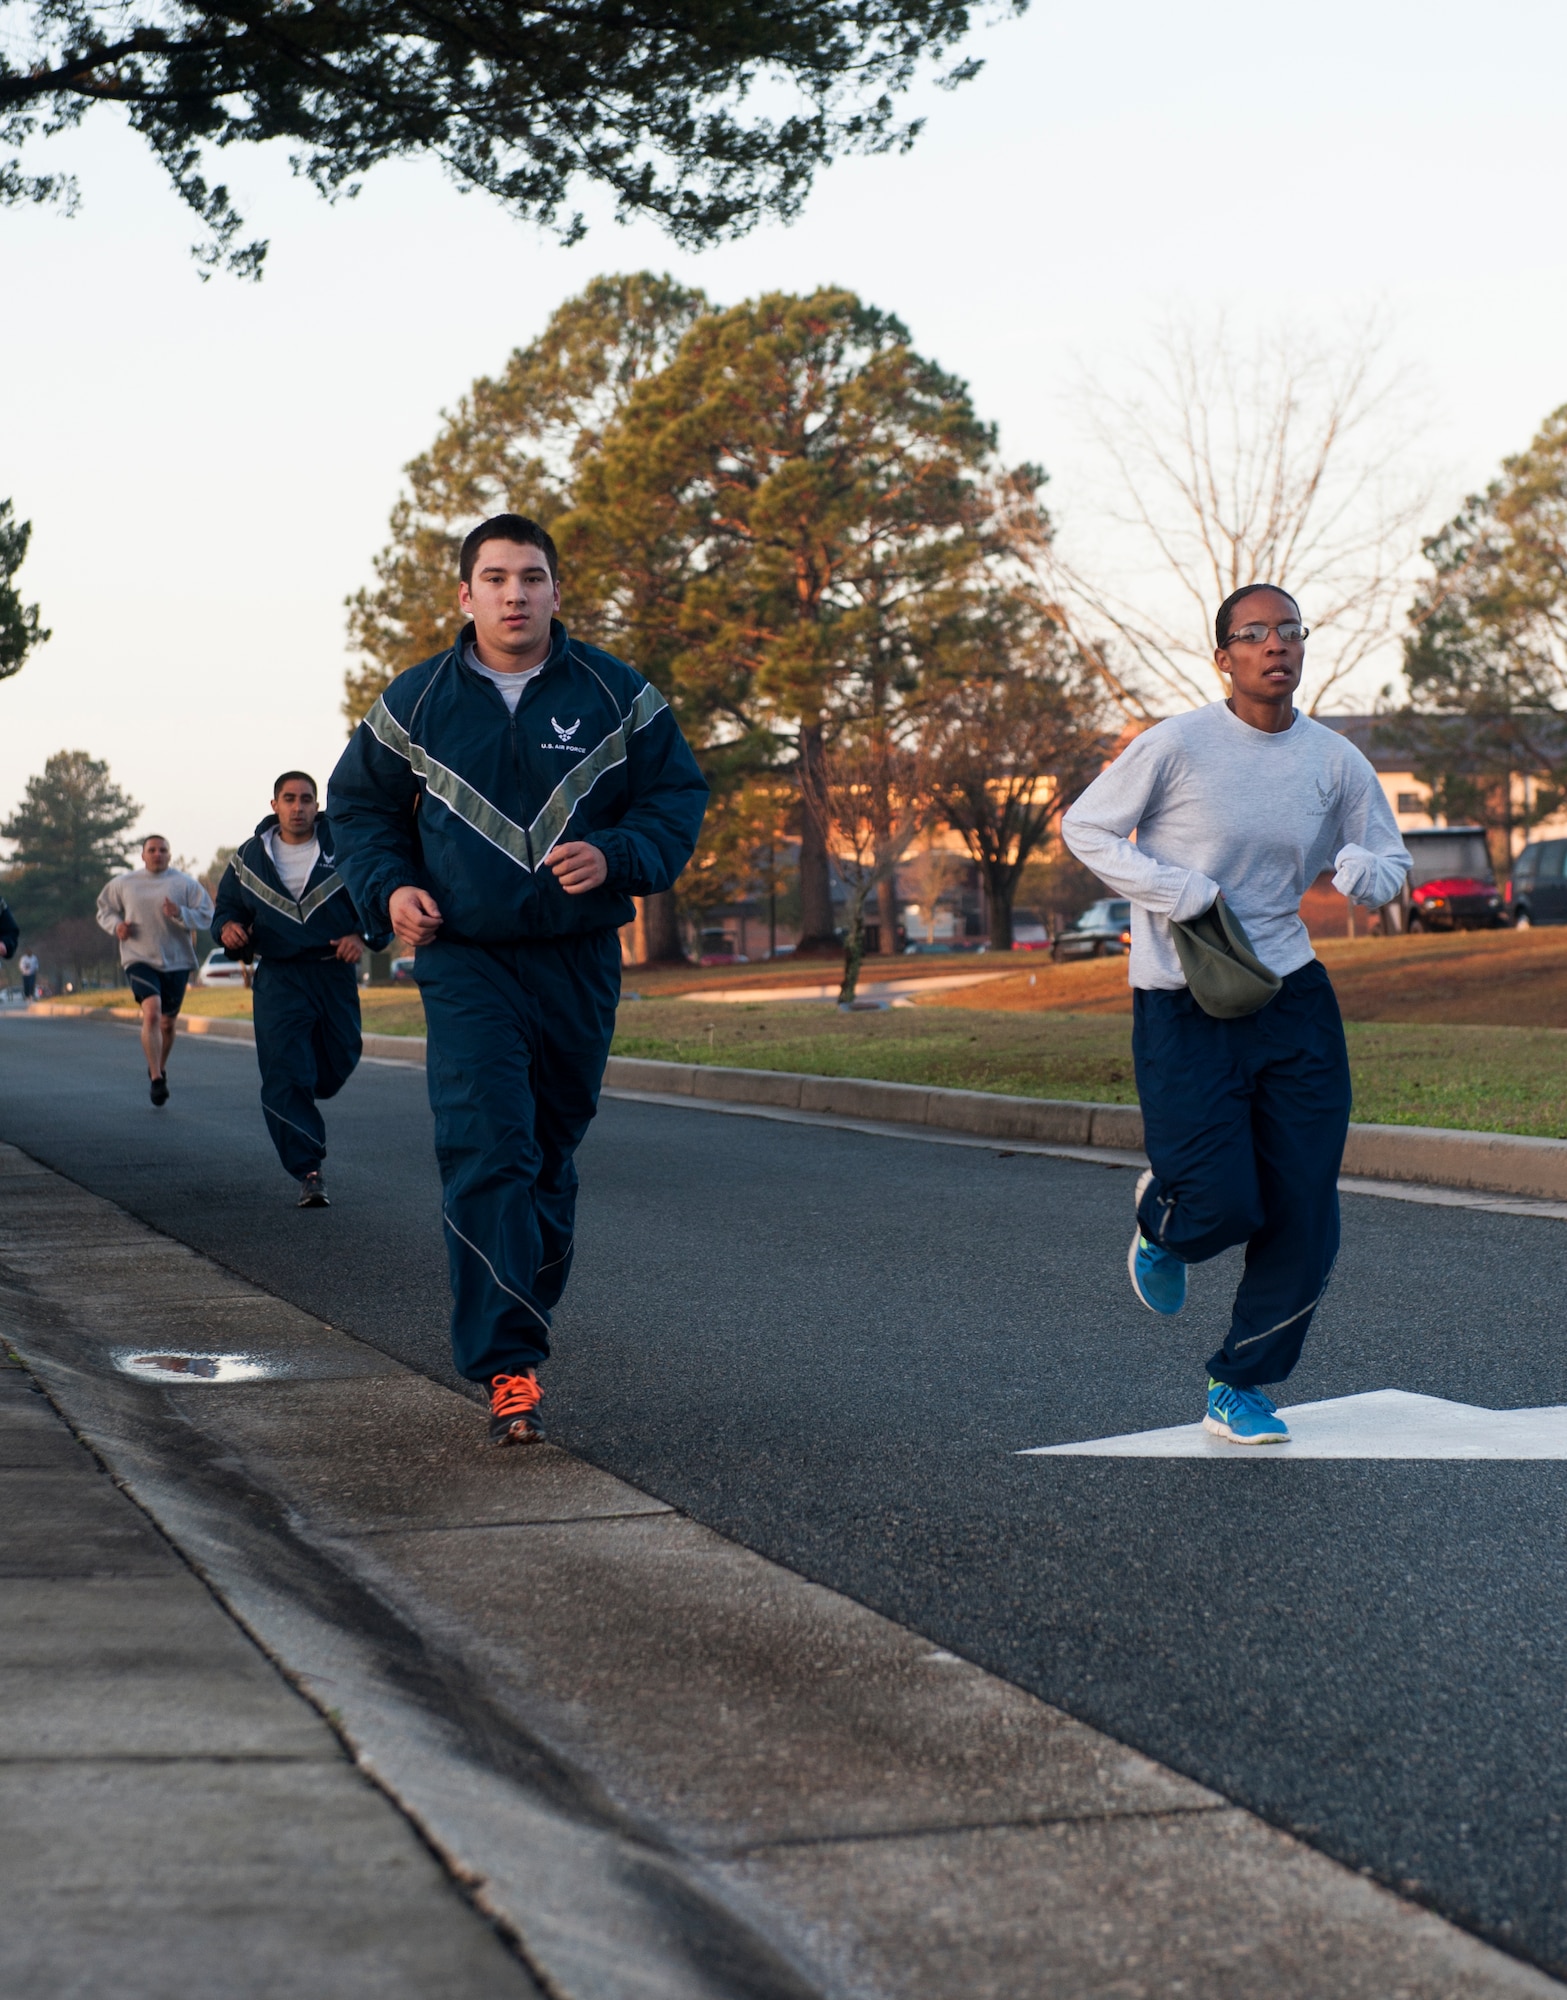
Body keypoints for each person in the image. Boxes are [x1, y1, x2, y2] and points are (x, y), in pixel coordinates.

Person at [328, 513, 708, 1445]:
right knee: (485, 1147)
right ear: (465, 596)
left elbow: (676, 799)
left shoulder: (619, 696)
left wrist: (617, 853)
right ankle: (508, 1365)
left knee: (546, 1154)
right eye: (494, 578)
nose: (513, 594)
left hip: (578, 961)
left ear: (554, 591)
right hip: (463, 960)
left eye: (531, 577)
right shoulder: (414, 703)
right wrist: (391, 889)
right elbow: (360, 810)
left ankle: (518, 1322)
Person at [1062, 585, 1411, 1445]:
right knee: (1219, 1205)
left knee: (1304, 1210)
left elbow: (1387, 852)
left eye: (1287, 631)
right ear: (1222, 657)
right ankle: (1167, 1223)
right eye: (1252, 634)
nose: (1273, 646)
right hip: (1184, 1002)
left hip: (1290, 997)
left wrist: (1368, 872)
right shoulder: (1177, 745)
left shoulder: (1331, 759)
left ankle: (1239, 1384)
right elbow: (1086, 827)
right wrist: (1176, 891)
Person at [212, 771, 388, 1207]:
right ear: (274, 805)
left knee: (336, 1062)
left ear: (316, 804)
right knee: (285, 1075)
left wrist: (362, 937)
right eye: (289, 799)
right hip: (279, 977)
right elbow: (226, 913)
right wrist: (229, 931)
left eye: (306, 799)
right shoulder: (248, 859)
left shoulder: (344, 847)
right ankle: (309, 1169)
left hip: (333, 974)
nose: (298, 807)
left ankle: (303, 1091)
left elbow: (378, 899)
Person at [96, 836, 215, 1105]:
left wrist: (181, 913)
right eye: (152, 850)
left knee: (167, 1023)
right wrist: (117, 926)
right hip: (139, 958)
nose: (157, 854)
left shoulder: (184, 883)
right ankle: (155, 1078)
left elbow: (208, 914)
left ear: (170, 856)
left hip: (177, 961)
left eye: (163, 850)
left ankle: (159, 1066)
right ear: (143, 855)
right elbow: (104, 909)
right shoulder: (124, 883)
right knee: (151, 1013)